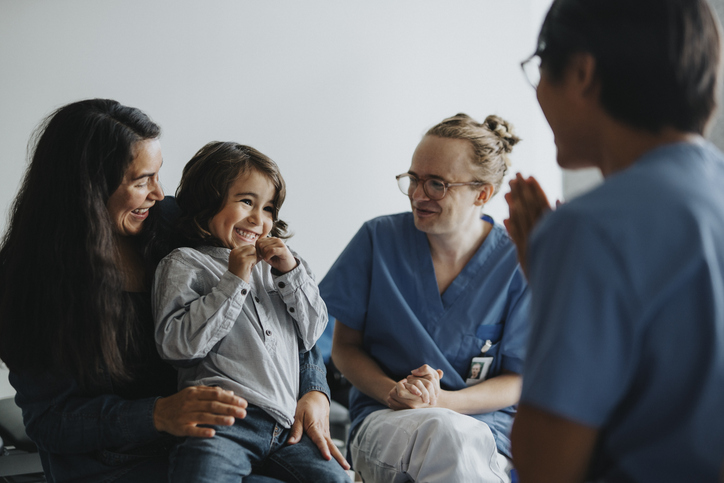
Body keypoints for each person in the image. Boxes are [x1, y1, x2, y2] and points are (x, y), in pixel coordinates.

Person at [0, 99, 344, 482]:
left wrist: (314, 390)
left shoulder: (176, 223)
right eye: (141, 180)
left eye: (157, 175)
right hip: (115, 461)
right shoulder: (26, 279)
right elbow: (51, 421)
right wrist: (159, 413)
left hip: (227, 431)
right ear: (88, 186)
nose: (159, 193)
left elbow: (282, 307)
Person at [506, 1, 724, 482]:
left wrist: (552, 283)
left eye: (541, 67)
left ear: (583, 73)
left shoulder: (590, 230)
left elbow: (547, 464)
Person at [321, 113, 531, 482]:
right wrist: (393, 393)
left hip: (486, 431)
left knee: (454, 435)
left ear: (481, 193)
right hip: (387, 420)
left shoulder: (518, 262)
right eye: (414, 179)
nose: (418, 195)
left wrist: (443, 402)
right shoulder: (377, 240)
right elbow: (344, 349)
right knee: (443, 435)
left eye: (437, 184)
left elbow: (519, 379)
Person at [153, 141, 350, 482]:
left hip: (287, 425)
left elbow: (313, 332)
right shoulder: (184, 263)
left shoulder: (283, 269)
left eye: (269, 208)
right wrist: (233, 280)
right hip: (223, 424)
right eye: (246, 201)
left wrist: (291, 273)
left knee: (337, 479)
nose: (259, 219)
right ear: (207, 202)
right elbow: (177, 347)